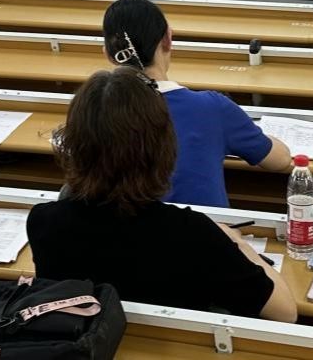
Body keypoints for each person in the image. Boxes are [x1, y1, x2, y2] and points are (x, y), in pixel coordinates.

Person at [28, 68, 297, 321]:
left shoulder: (44, 222)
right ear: (164, 147)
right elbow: (285, 312)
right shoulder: (193, 234)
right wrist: (237, 243)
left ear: (73, 144)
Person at [103, 0, 290, 207]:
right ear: (168, 40)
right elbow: (280, 160)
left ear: (108, 54)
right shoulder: (213, 108)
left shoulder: (91, 113)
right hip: (203, 227)